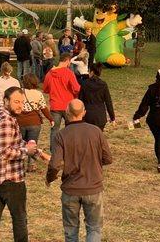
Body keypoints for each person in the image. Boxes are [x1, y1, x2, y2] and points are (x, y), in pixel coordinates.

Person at [0, 86, 49, 242]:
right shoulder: (6, 121)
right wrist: (27, 151)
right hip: (9, 179)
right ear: (6, 101)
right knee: (20, 219)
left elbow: (16, 142)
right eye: (16, 102)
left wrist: (37, 151)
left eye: (22, 102)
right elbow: (5, 152)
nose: (20, 106)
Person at [46, 99, 113, 242]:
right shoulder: (96, 131)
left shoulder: (61, 135)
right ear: (84, 112)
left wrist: (49, 178)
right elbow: (108, 158)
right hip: (93, 188)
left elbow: (54, 165)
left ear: (67, 112)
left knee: (71, 231)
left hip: (71, 190)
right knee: (94, 228)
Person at [43, 53, 81, 153]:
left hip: (55, 105)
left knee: (54, 130)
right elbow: (77, 88)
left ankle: (54, 151)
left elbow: (45, 89)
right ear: (68, 61)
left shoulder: (49, 74)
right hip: (68, 105)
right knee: (70, 129)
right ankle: (70, 149)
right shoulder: (69, 73)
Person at [19, 73, 54, 172]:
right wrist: (51, 119)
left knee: (19, 144)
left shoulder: (19, 92)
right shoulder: (38, 94)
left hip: (20, 121)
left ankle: (19, 164)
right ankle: (31, 165)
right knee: (33, 144)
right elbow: (44, 108)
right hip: (34, 122)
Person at [79, 63, 115, 131]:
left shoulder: (84, 84)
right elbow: (108, 102)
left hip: (87, 115)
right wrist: (112, 117)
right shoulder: (103, 85)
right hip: (100, 116)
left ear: (92, 72)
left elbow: (80, 100)